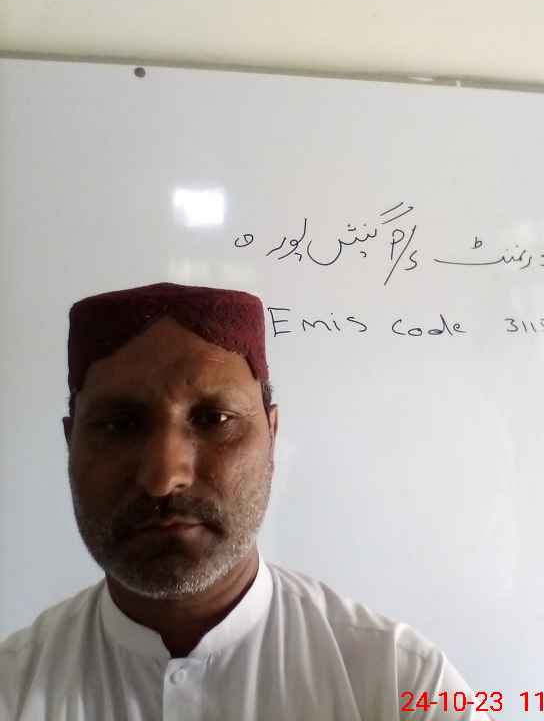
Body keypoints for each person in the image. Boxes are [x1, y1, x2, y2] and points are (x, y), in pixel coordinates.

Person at [0, 282, 492, 720]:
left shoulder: (403, 686)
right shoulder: (12, 689)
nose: (164, 478)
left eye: (214, 419)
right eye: (118, 425)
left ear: (271, 435)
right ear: (71, 444)